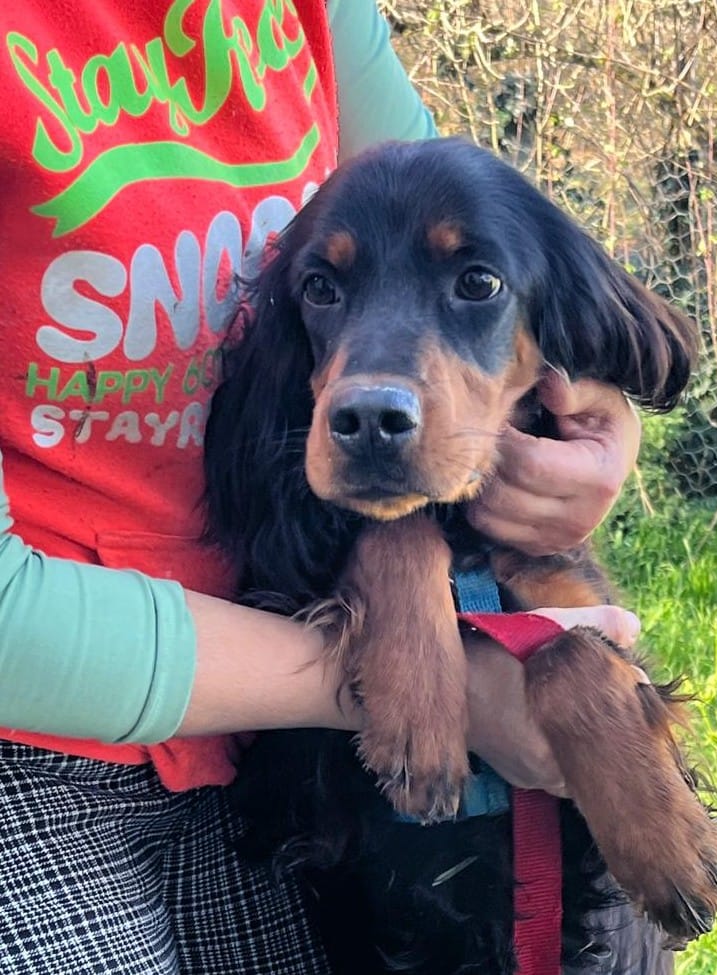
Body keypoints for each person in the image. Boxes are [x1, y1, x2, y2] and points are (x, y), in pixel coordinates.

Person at [0, 1, 642, 972]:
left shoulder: (318, 11)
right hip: (43, 727)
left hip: (276, 700)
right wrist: (408, 681)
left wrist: (591, 418)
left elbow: (468, 244)